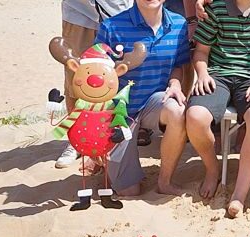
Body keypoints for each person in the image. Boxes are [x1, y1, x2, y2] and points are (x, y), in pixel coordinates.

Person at [186, 0, 250, 218]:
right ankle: (212, 170)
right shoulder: (216, 8)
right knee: (195, 116)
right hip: (218, 75)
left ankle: (239, 194)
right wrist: (202, 75)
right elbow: (201, 52)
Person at [96, 0, 191, 197]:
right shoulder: (110, 27)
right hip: (119, 114)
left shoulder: (179, 24)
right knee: (129, 191)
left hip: (154, 104)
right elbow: (96, 77)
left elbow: (179, 65)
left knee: (178, 111)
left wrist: (175, 83)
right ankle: (110, 160)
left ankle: (164, 181)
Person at [56, 0, 134, 168]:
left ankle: (110, 134)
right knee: (76, 78)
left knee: (118, 75)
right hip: (79, 14)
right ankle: (75, 140)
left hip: (120, 12)